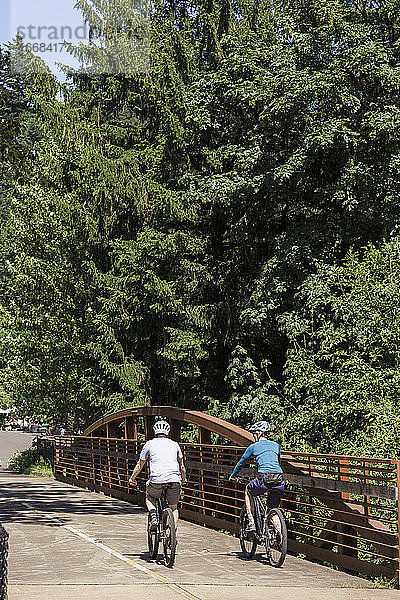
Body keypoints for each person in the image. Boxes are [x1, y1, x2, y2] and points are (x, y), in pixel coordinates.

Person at [129, 420, 186, 531]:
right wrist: (183, 479)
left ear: (155, 432)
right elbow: (182, 467)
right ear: (168, 432)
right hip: (174, 479)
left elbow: (139, 465)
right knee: (174, 507)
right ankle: (172, 533)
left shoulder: (149, 444)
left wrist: (132, 478)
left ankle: (154, 518)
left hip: (156, 480)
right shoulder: (175, 445)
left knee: (149, 497)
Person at [229, 420, 284, 532]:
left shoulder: (253, 447)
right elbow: (277, 462)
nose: (253, 436)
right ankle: (280, 534)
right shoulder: (276, 445)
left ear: (259, 433)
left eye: (254, 433)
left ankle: (251, 521)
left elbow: (241, 463)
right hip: (279, 481)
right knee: (272, 509)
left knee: (248, 490)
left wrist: (233, 476)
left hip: (264, 480)